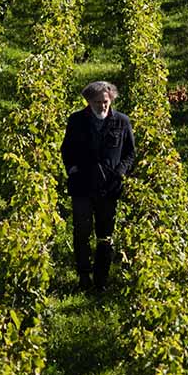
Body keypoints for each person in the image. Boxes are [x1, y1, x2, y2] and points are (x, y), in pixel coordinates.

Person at [60, 81, 136, 292]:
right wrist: (73, 169)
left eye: (105, 102)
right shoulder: (76, 121)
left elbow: (130, 153)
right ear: (88, 102)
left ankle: (101, 279)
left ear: (111, 100)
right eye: (97, 102)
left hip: (109, 188)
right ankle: (84, 277)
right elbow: (66, 149)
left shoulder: (122, 122)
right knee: (82, 233)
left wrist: (120, 172)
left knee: (105, 235)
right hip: (82, 186)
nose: (102, 106)